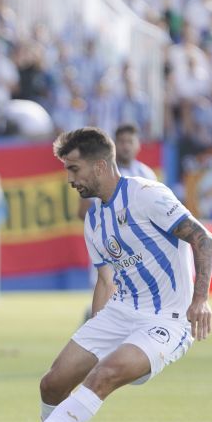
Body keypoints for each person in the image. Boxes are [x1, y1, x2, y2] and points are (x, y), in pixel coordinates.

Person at [0, 127, 212, 422]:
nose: (69, 179)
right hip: (120, 312)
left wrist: (200, 300)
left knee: (103, 376)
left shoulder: (147, 195)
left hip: (167, 319)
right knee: (53, 382)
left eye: (73, 169)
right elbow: (105, 279)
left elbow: (203, 238)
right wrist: (95, 332)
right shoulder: (94, 218)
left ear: (99, 167)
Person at [77, 123, 157, 321]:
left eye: (130, 141)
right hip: (108, 244)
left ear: (138, 145)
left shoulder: (147, 174)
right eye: (121, 142)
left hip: (137, 246)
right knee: (106, 291)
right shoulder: (99, 172)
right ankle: (94, 330)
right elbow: (82, 211)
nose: (126, 146)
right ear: (114, 145)